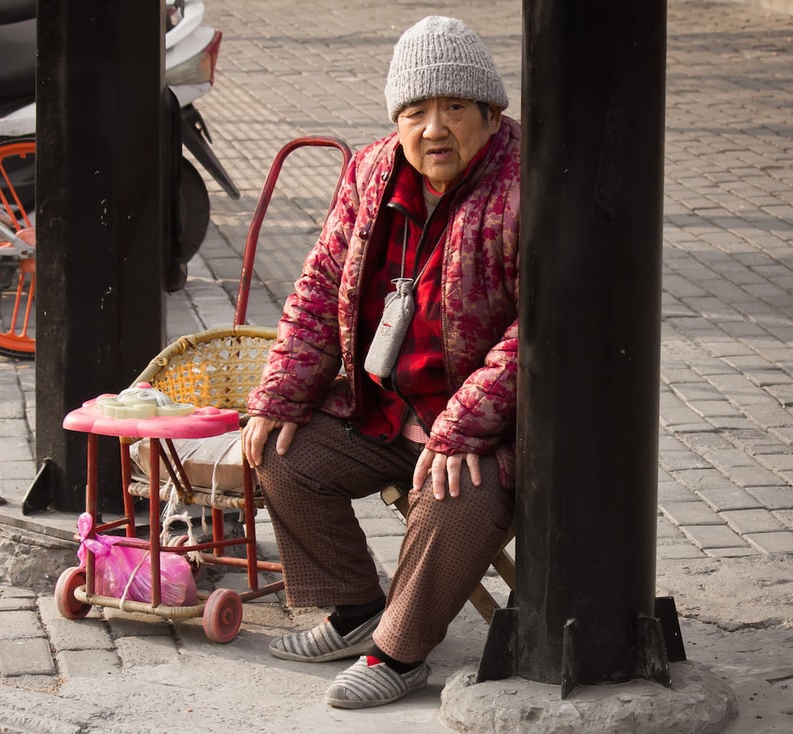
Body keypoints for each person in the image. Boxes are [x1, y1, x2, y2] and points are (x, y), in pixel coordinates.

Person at [241, 16, 520, 709]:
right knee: (280, 452)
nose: (434, 129)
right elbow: (318, 287)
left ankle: (397, 652)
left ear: (490, 112)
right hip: (385, 405)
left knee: (457, 496)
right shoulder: (372, 169)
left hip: (490, 427)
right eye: (415, 112)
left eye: (454, 107)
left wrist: (463, 425)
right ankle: (353, 609)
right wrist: (279, 396)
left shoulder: (526, 187)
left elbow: (542, 330)